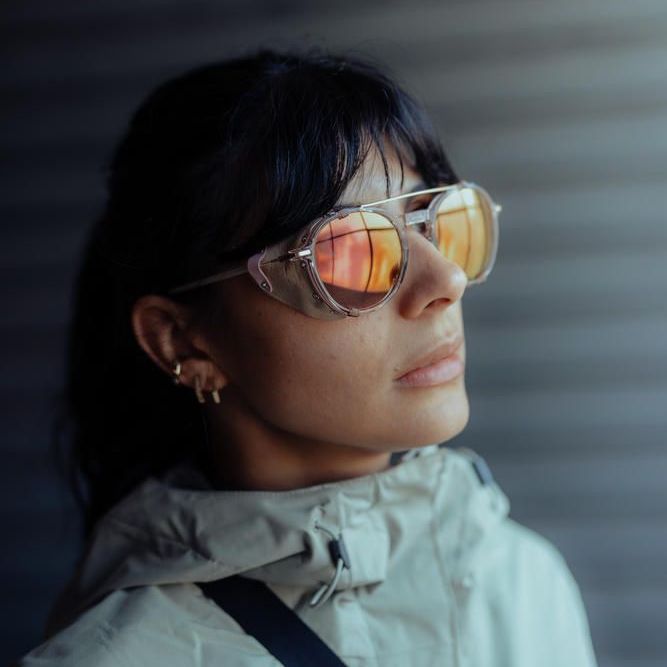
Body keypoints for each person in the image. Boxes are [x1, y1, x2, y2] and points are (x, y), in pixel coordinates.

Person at [17, 47, 598, 666]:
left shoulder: (522, 584)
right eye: (351, 252)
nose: (446, 281)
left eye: (437, 222)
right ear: (183, 341)